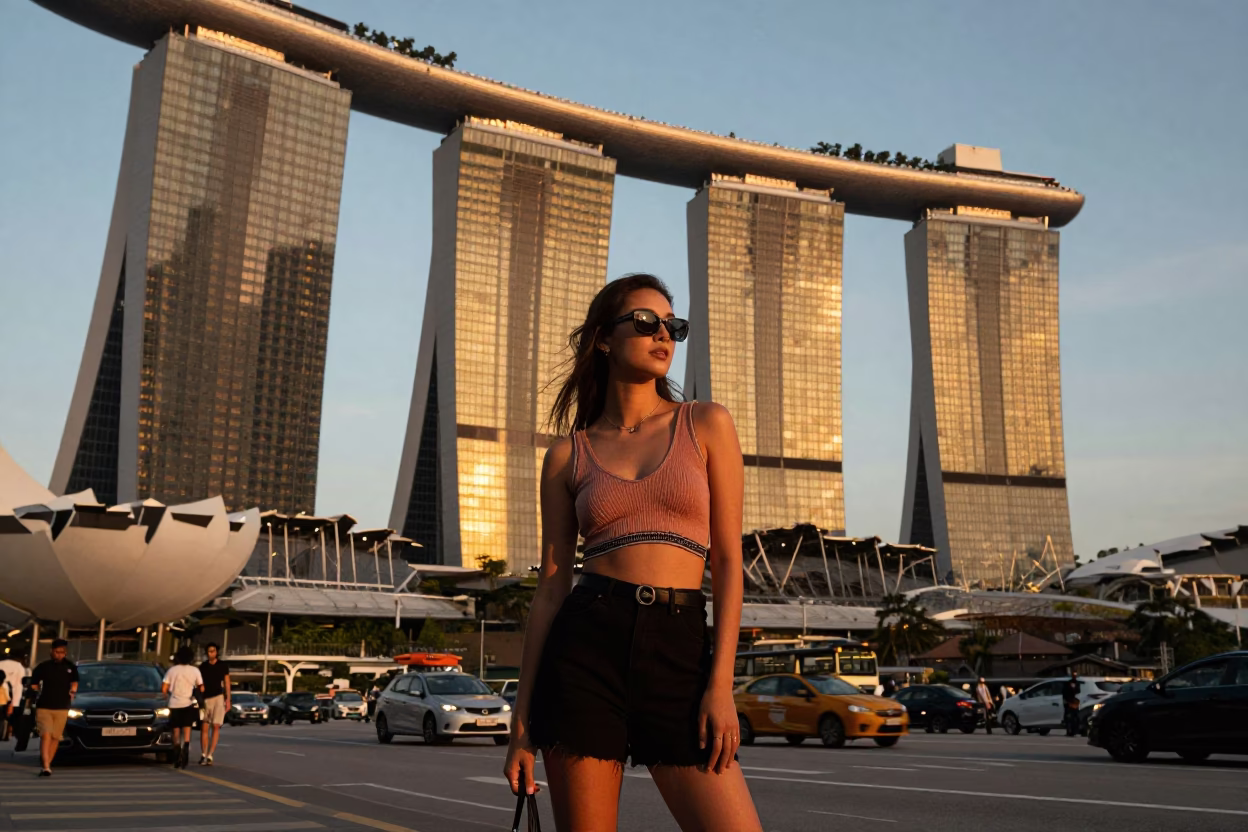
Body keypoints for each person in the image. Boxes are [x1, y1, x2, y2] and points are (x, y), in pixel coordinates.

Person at [503, 274, 762, 831]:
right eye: (645, 322)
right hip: (585, 653)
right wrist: (521, 724)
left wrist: (721, 686)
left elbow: (726, 566)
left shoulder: (706, 423)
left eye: (673, 326)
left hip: (679, 649)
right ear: (603, 339)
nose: (663, 334)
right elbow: (551, 588)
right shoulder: (567, 456)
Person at [28, 639, 78, 776]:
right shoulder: (43, 666)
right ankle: (45, 765)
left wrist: (73, 692)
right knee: (46, 735)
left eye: (62, 652)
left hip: (62, 707)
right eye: (57, 652)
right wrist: (35, 692)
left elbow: (74, 682)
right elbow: (33, 684)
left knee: (56, 737)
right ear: (51, 651)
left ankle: (47, 765)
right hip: (44, 706)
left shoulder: (70, 667)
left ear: (65, 653)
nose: (59, 655)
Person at [162, 646, 203, 769]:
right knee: (187, 727)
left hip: (174, 704)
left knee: (175, 729)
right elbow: (201, 687)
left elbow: (164, 688)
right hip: (188, 703)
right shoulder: (195, 671)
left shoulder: (172, 670)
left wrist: (167, 695)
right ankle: (186, 746)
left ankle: (176, 750)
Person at [198, 643, 230, 766]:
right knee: (205, 726)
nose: (211, 653)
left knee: (216, 726)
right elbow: (199, 683)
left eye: (213, 651)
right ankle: (204, 753)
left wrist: (228, 700)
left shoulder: (223, 665)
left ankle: (210, 754)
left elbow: (227, 683)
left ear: (217, 652)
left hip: (218, 697)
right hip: (206, 699)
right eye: (209, 651)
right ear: (207, 653)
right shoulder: (203, 666)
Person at [1061, 672, 1081, 736]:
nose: (1074, 677)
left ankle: (1074, 731)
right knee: (1068, 717)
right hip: (1068, 702)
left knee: (1074, 717)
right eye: (1073, 675)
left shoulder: (1077, 683)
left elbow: (1078, 691)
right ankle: (1068, 731)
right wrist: (1065, 700)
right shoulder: (1068, 683)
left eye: (1075, 676)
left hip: (1074, 702)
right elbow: (1064, 692)